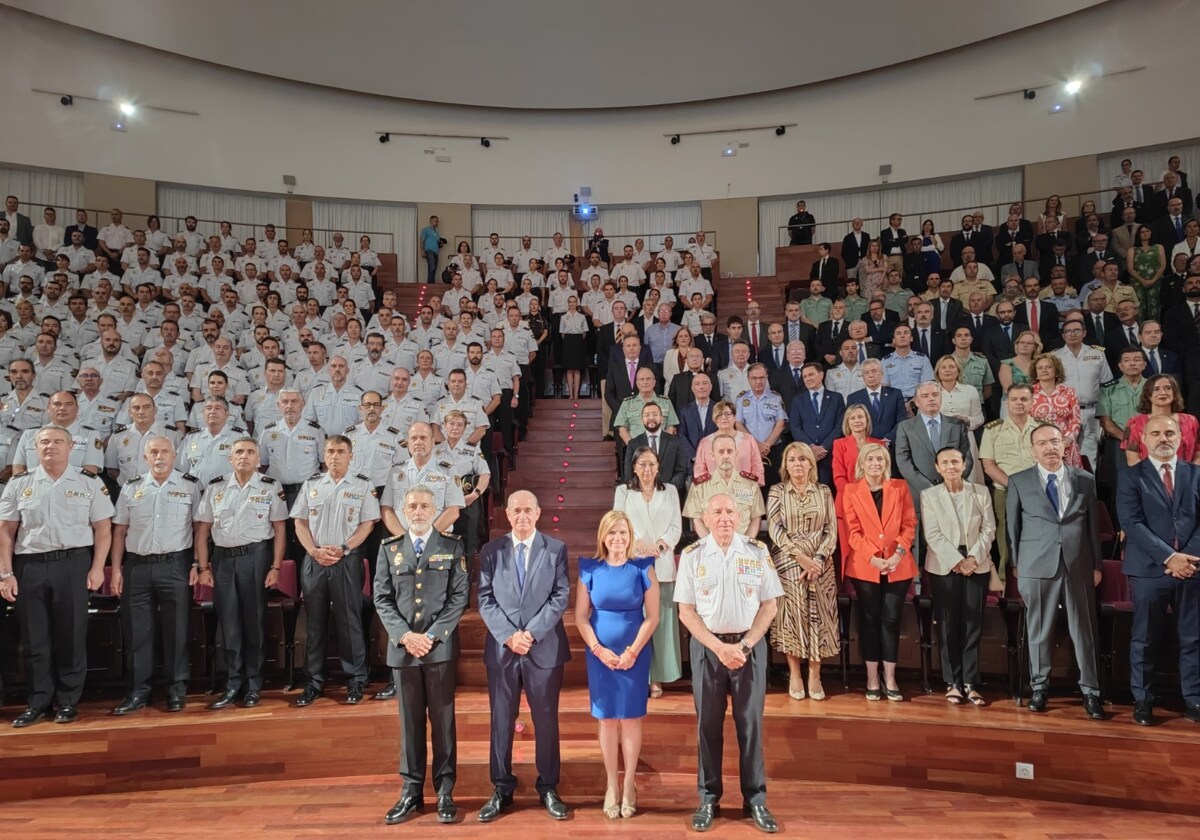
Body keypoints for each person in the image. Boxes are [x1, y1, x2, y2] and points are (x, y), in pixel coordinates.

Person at [675, 493, 781, 834]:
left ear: (740, 516)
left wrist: (746, 644)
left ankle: (756, 800)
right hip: (708, 651)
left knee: (750, 727)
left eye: (729, 512)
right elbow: (686, 612)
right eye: (716, 512)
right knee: (708, 727)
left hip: (749, 649)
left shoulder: (756, 551)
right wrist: (719, 647)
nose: (723, 517)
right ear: (705, 517)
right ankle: (708, 798)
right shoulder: (692, 556)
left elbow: (769, 605)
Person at [0, 425, 114, 727]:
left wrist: (96, 567)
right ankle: (37, 701)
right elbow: (6, 531)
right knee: (35, 638)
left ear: (70, 446)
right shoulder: (18, 484)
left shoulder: (89, 482)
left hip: (73, 564)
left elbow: (103, 529)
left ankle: (67, 701)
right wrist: (6, 574)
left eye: (58, 441)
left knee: (71, 636)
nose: (51, 446)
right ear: (36, 448)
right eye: (45, 442)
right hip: (30, 567)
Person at [375, 486, 469, 825]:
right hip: (404, 652)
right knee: (409, 724)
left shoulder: (451, 546)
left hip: (439, 648)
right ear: (402, 510)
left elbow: (459, 597)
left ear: (434, 509)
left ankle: (445, 791)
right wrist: (405, 636)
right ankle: (411, 791)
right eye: (412, 505)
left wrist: (430, 637)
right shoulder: (389, 549)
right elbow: (382, 598)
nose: (418, 511)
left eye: (424, 505)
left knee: (443, 724)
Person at [476, 491, 571, 823]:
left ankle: (548, 787)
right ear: (506, 514)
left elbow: (560, 595)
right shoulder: (491, 551)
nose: (522, 515)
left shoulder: (555, 549)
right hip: (504, 650)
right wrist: (509, 636)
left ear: (538, 512)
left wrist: (530, 634)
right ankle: (502, 787)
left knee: (546, 722)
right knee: (501, 721)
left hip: (542, 648)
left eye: (528, 510)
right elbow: (485, 598)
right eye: (516, 510)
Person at [1007, 423, 1104, 718]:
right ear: (1032, 449)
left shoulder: (1085, 479)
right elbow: (1013, 528)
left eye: (1054, 441)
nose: (1049, 447)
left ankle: (1091, 692)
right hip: (1036, 564)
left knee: (1084, 630)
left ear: (1064, 445)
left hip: (1078, 564)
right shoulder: (1019, 480)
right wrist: (1017, 564)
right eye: (1042, 443)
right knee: (1038, 630)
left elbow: (1092, 528)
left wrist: (1097, 565)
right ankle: (1039, 688)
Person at [574, 511, 659, 820]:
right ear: (603, 537)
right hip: (599, 656)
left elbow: (653, 617)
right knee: (607, 719)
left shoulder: (643, 568)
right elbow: (581, 616)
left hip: (634, 654)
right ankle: (612, 783)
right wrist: (597, 649)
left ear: (630, 535)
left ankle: (630, 783)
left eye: (623, 532)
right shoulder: (589, 569)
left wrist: (632, 652)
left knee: (632, 718)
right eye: (612, 533)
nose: (618, 539)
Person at [109, 435, 201, 715]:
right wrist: (116, 569)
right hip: (137, 566)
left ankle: (176, 689)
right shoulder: (131, 488)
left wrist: (198, 563)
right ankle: (139, 691)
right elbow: (119, 531)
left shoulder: (190, 485)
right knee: (138, 632)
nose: (159, 457)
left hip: (176, 564)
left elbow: (199, 528)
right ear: (145, 457)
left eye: (164, 451)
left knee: (176, 629)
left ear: (174, 456)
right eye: (153, 452)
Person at [193, 437, 288, 710]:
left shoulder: (270, 487)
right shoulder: (216, 488)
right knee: (230, 624)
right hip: (223, 560)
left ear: (258, 459)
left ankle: (253, 685)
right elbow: (202, 531)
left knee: (254, 623)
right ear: (230, 458)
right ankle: (233, 683)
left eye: (250, 452)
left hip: (256, 558)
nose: (244, 456)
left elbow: (280, 529)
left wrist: (276, 567)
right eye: (239, 452)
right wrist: (203, 566)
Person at [1117, 415, 1200, 726]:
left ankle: (1193, 698)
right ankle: (1143, 699)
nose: (1163, 438)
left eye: (1169, 433)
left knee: (1192, 637)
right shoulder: (1131, 476)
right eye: (1156, 433)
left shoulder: (1195, 474)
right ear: (1144, 440)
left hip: (1192, 569)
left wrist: (1186, 558)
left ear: (1180, 438)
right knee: (1145, 638)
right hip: (1150, 569)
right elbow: (1132, 524)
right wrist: (1170, 558)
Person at [290, 435, 380, 707]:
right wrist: (314, 550)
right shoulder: (312, 485)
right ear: (324, 455)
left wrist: (343, 548)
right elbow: (300, 523)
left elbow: (367, 525)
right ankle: (314, 682)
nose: (335, 456)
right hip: (315, 559)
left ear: (350, 456)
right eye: (330, 451)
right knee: (314, 623)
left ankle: (355, 680)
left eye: (341, 451)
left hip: (345, 559)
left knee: (348, 621)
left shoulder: (363, 486)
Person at [840, 443, 918, 701]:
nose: (876, 463)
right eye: (871, 459)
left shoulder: (900, 487)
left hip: (898, 565)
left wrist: (897, 555)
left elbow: (909, 524)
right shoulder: (852, 490)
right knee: (870, 620)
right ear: (862, 462)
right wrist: (873, 558)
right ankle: (872, 677)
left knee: (891, 620)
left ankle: (891, 676)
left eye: (881, 459)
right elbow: (853, 532)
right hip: (866, 566)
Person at [921, 447, 997, 707]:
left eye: (955, 461)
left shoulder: (981, 492)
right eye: (945, 462)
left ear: (964, 464)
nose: (951, 466)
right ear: (937, 467)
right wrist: (956, 561)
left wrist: (973, 559)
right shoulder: (929, 495)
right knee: (948, 624)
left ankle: (971, 682)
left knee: (972, 624)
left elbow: (989, 529)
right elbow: (932, 534)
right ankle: (952, 682)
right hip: (945, 566)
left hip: (977, 563)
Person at [767, 442, 838, 702]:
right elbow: (775, 530)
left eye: (803, 459)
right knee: (793, 616)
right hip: (788, 561)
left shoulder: (824, 491)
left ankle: (815, 673)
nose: (798, 464)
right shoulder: (777, 491)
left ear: (811, 463)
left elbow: (831, 529)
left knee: (819, 616)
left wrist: (817, 559)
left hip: (821, 564)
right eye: (792, 459)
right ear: (785, 464)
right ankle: (795, 673)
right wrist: (800, 557)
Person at [615, 446, 682, 700]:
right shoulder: (623, 492)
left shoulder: (671, 492)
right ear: (634, 467)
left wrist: (662, 544)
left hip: (662, 564)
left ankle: (657, 678)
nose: (647, 469)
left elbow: (676, 526)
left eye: (652, 464)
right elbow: (618, 523)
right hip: (632, 564)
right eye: (642, 464)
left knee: (661, 625)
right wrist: (640, 543)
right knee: (635, 625)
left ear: (658, 467)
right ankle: (636, 675)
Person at [1122, 374, 1200, 466]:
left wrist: (1190, 476)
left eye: (1168, 388)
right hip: (1148, 478)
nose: (1163, 392)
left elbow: (1198, 454)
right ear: (1148, 395)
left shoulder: (1191, 421)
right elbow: (1132, 459)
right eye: (1156, 389)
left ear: (1175, 393)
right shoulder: (1134, 423)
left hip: (1187, 478)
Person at [933, 355, 985, 483]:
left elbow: (979, 418)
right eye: (943, 367)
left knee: (969, 477)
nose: (947, 370)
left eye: (951, 367)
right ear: (937, 372)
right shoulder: (931, 391)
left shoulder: (970, 390)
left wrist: (965, 419)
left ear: (958, 371)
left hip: (966, 438)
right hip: (938, 439)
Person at [1030, 353, 1083, 468]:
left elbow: (1075, 420)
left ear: (1056, 371)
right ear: (1036, 373)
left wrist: (1067, 440)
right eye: (1040, 368)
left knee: (1069, 481)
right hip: (1040, 443)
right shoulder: (1029, 393)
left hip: (1066, 442)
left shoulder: (1069, 392)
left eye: (1048, 367)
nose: (1044, 370)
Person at [693, 400, 764, 486]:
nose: (723, 418)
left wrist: (753, 486)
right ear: (714, 419)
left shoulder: (748, 440)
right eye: (719, 415)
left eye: (728, 414)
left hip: (744, 490)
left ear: (734, 417)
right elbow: (699, 470)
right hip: (713, 490)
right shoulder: (705, 442)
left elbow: (757, 467)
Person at [420, 215, 442, 284]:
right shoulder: (425, 230)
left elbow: (438, 243)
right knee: (432, 267)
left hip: (436, 252)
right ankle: (430, 285)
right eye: (436, 221)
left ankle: (431, 283)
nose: (437, 223)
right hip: (429, 251)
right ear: (431, 221)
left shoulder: (437, 233)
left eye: (438, 221)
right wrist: (422, 250)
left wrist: (441, 243)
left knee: (434, 268)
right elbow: (421, 240)